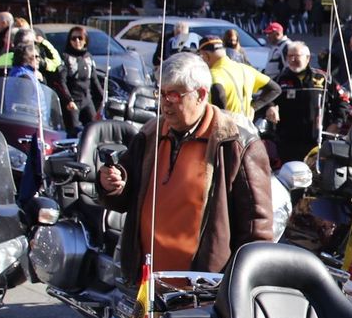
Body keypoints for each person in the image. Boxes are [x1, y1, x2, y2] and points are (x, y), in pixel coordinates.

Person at [96, 53, 275, 279]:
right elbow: (125, 193)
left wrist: (239, 284)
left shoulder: (236, 144)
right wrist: (113, 183)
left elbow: (257, 229)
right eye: (161, 94)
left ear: (200, 94)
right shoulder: (150, 134)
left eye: (174, 95)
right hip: (147, 282)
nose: (165, 103)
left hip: (204, 288)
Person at [270, 41, 352, 165]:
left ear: (307, 58)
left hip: (317, 142)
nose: (292, 59)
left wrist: (337, 123)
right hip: (287, 143)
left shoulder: (323, 79)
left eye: (296, 56)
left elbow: (343, 100)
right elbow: (265, 99)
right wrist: (270, 108)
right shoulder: (279, 80)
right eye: (289, 56)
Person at [199, 35, 278, 122]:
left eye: (201, 55)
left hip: (227, 129)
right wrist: (253, 107)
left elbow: (219, 98)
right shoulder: (246, 69)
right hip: (248, 129)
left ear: (206, 55)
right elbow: (275, 89)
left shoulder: (213, 75)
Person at [59, 26, 105, 135]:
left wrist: (103, 98)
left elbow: (94, 79)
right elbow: (62, 81)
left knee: (94, 129)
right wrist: (68, 100)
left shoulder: (88, 57)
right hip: (73, 101)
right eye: (73, 38)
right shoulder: (66, 57)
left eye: (80, 38)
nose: (77, 41)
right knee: (74, 131)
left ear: (85, 41)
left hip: (87, 99)